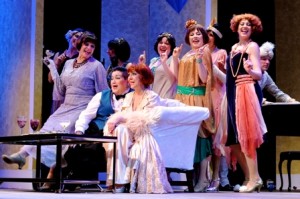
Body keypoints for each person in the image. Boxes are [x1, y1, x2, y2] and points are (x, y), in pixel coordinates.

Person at [2, 30, 108, 188]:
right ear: (79, 45)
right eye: (86, 44)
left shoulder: (96, 66)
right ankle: (23, 155)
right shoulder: (67, 63)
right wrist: (52, 67)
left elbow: (103, 93)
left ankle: (51, 172)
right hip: (66, 106)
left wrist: (94, 115)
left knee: (62, 135)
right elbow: (60, 91)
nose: (89, 48)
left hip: (82, 108)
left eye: (92, 46)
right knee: (47, 131)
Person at [104, 63, 210, 193]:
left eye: (134, 74)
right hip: (129, 134)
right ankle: (118, 180)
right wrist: (116, 119)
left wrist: (120, 118)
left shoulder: (151, 96)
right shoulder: (129, 96)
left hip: (146, 134)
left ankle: (121, 183)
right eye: (129, 74)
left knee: (122, 131)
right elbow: (124, 114)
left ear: (143, 77)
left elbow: (146, 119)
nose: (130, 78)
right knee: (120, 131)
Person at [226, 13, 267, 193]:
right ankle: (250, 177)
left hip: (247, 90)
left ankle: (255, 177)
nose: (244, 27)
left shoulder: (253, 47)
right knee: (235, 139)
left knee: (248, 136)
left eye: (248, 25)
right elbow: (230, 75)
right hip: (234, 91)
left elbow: (259, 74)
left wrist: (251, 70)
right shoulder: (234, 48)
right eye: (241, 24)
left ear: (252, 29)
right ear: (236, 27)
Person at [175, 19, 216, 192]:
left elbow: (204, 77)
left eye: (198, 33)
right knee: (186, 139)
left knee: (201, 136)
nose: (195, 36)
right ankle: (189, 180)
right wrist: (175, 59)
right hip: (182, 97)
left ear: (205, 37)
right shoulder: (186, 54)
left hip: (196, 97)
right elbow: (178, 77)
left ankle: (203, 178)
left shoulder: (204, 52)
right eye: (192, 34)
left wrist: (199, 60)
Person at [206, 18, 232, 192]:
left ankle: (218, 178)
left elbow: (224, 79)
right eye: (206, 34)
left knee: (218, 140)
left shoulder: (221, 53)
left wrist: (216, 68)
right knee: (206, 139)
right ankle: (207, 177)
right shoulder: (198, 53)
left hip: (217, 97)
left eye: (210, 35)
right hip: (203, 97)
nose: (208, 37)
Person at [48, 28, 85, 114]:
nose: (77, 40)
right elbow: (50, 79)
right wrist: (57, 64)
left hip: (72, 99)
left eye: (81, 38)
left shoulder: (81, 58)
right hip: (58, 98)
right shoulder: (58, 54)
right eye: (76, 36)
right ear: (70, 36)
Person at [147, 32, 181, 99]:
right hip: (152, 99)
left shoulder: (173, 59)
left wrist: (164, 63)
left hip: (165, 100)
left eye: (167, 43)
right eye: (160, 42)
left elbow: (174, 80)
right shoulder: (154, 61)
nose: (163, 45)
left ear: (171, 47)